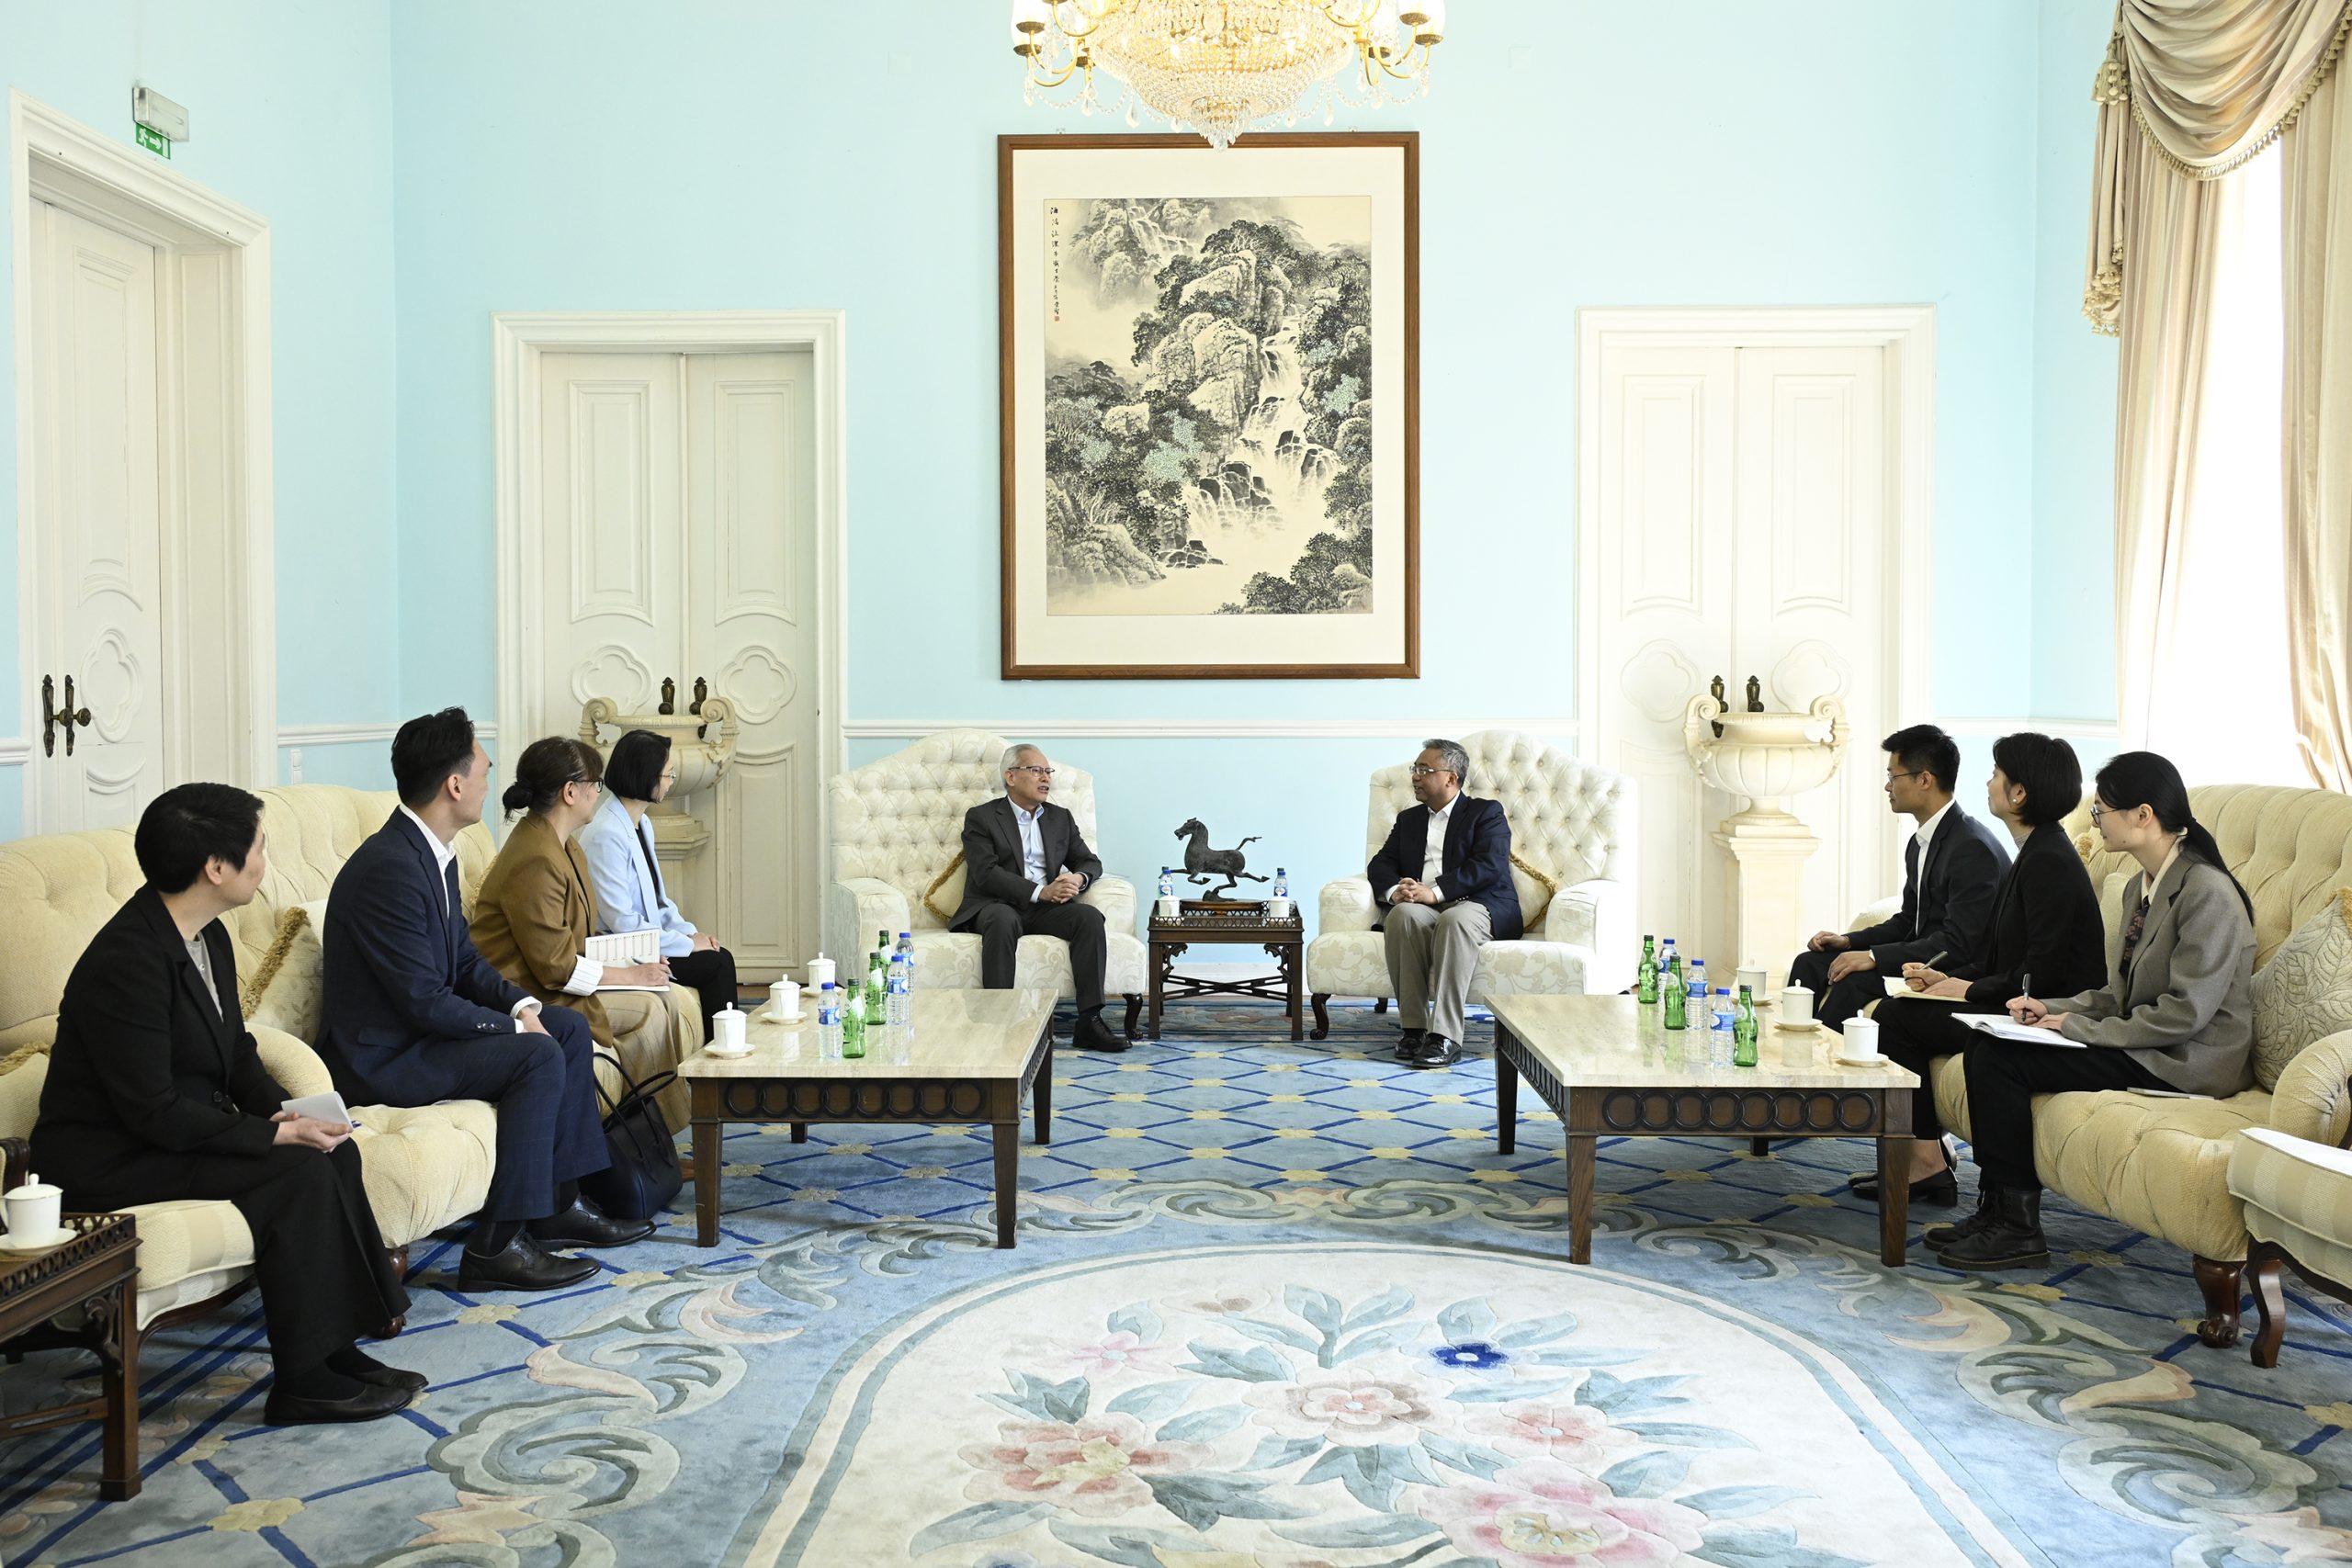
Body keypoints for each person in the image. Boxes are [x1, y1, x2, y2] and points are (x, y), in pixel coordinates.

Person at [31, 785, 421, 1426]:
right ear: (216, 866)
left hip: (170, 1132)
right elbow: (152, 1110)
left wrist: (287, 1113)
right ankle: (302, 1383)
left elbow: (237, 1052)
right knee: (297, 1171)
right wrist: (272, 1138)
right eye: (259, 847)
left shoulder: (206, 935)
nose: (265, 861)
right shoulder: (126, 962)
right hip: (112, 1157)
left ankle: (338, 1349)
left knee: (335, 1152)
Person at [319, 708, 648, 1294]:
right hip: (384, 1057)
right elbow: (423, 1001)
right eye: (484, 771)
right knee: (538, 1055)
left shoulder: (432, 853)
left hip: (420, 1036)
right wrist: (515, 1032)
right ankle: (496, 1246)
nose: (490, 781)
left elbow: (465, 962)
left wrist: (524, 1008)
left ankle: (557, 1204)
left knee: (565, 1029)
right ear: (454, 784)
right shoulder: (390, 868)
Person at [1933, 750, 2258, 1270]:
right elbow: (2118, 994)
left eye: (2101, 811)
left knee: (2000, 1060)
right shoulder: (2138, 887)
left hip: (2184, 1058)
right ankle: (1996, 1210)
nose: (2095, 821)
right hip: (2147, 1040)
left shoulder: (2207, 893)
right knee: (1987, 1042)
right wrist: (2049, 1008)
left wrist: (2080, 1027)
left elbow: (2186, 1013)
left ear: (2143, 815)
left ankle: (2017, 1228)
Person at [1854, 733, 2108, 1208]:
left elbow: (2043, 975)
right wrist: (1949, 981)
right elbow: (2006, 959)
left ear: (2019, 793)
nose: (1988, 783)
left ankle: (1928, 1163)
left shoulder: (2048, 860)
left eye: (1996, 775)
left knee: (1896, 1018)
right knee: (1899, 1010)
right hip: (2017, 998)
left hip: (2047, 1012)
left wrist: (1968, 990)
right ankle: (1925, 1159)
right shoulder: (2034, 851)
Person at [1789, 724, 2008, 1031]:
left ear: (1925, 780)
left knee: (1852, 982)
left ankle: (1825, 1061)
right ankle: (1791, 1051)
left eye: (1893, 777)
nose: (1887, 786)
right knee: (1808, 962)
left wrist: (1874, 956)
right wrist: (1850, 941)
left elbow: (1959, 943)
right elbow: (1909, 920)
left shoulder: (1971, 848)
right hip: (1917, 956)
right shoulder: (1921, 841)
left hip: (1951, 967)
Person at [950, 744, 1125, 1054]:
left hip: (1046, 909)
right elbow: (985, 873)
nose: (1046, 778)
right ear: (1010, 777)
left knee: (1088, 917)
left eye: (1048, 772)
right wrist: (1040, 891)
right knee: (1002, 920)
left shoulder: (1060, 818)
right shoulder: (983, 817)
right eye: (1036, 771)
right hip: (997, 905)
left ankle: (1090, 1021)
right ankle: (998, 1021)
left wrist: (1078, 878)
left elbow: (1089, 861)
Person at [1369, 739, 1521, 1071]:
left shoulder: (1486, 813)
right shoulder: (1409, 819)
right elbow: (1380, 864)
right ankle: (1414, 1030)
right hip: (1423, 906)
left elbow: (1489, 866)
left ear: (1451, 778)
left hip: (1478, 904)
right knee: (1402, 916)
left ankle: (1445, 1037)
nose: (1415, 776)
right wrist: (1397, 891)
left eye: (1424, 770)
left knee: (1455, 920)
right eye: (1415, 769)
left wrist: (1435, 892)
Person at [577, 728, 738, 1032]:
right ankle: (722, 1054)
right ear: (645, 777)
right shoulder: (606, 834)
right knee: (717, 964)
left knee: (717, 954)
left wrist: (692, 934)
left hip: (646, 940)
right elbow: (622, 922)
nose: (670, 781)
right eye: (668, 775)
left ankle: (724, 1049)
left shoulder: (642, 823)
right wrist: (686, 944)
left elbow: (659, 902)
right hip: (621, 949)